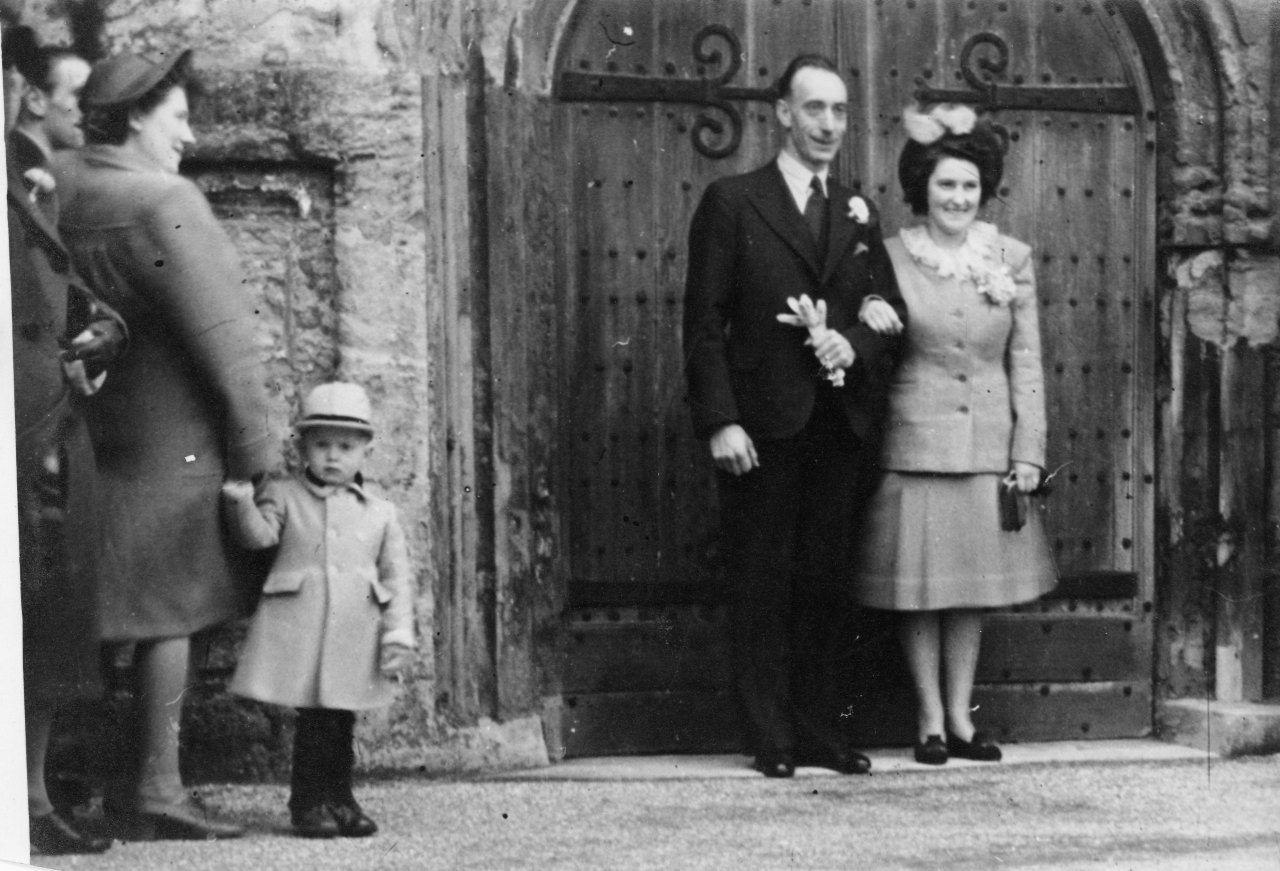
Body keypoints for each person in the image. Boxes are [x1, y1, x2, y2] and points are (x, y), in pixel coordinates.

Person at [52, 49, 282, 838]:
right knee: (169, 613)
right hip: (173, 444)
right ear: (137, 116)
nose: (188, 134)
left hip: (85, 437)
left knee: (86, 608)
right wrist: (262, 458)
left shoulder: (57, 182)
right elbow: (229, 343)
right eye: (179, 117)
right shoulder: (161, 200)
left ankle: (66, 782)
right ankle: (157, 784)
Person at [683, 54, 906, 778]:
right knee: (761, 579)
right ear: (782, 112)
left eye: (840, 112)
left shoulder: (858, 209)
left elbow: (890, 308)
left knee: (823, 581)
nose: (829, 126)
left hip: (837, 428)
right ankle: (769, 734)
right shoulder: (733, 200)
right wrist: (720, 419)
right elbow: (703, 321)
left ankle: (818, 729)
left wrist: (857, 339)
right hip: (761, 428)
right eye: (815, 109)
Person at [852, 103, 1057, 765]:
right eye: (946, 184)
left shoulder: (1011, 257)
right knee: (921, 586)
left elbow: (1025, 358)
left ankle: (963, 718)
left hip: (986, 449)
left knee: (972, 587)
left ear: (984, 188)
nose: (958, 197)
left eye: (969, 185)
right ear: (922, 188)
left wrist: (1028, 451)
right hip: (915, 443)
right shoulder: (890, 257)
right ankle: (929, 718)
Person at [5, 24, 125, 855]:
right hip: (17, 430)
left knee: (45, 624)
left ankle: (34, 798)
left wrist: (103, 330)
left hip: (45, 431)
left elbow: (65, 289)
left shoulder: (30, 179)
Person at [220, 382, 415, 839]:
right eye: (321, 444)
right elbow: (260, 538)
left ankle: (341, 799)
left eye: (346, 447)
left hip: (354, 630)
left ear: (365, 450)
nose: (332, 456)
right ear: (303, 446)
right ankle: (308, 802)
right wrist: (242, 503)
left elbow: (396, 576)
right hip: (302, 625)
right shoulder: (285, 495)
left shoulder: (380, 513)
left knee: (342, 718)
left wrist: (398, 633)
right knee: (315, 720)